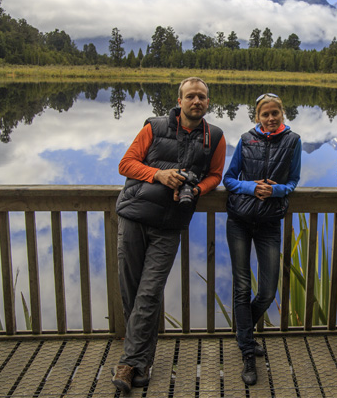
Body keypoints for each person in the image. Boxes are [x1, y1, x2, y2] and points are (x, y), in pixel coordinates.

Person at [110, 77, 227, 395]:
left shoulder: (214, 136)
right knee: (131, 292)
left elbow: (216, 174)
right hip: (133, 217)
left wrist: (198, 188)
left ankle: (129, 363)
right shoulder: (154, 126)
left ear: (207, 102)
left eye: (202, 97)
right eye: (191, 96)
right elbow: (126, 164)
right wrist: (158, 174)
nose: (196, 102)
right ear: (179, 100)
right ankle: (141, 361)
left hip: (170, 224)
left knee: (148, 294)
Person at [221, 93, 302, 386]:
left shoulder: (293, 142)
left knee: (267, 290)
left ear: (283, 114)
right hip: (240, 220)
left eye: (275, 114)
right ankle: (247, 351)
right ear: (257, 117)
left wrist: (277, 190)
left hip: (269, 222)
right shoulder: (245, 139)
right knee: (242, 286)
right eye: (264, 114)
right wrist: (250, 186)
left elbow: (293, 181)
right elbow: (228, 180)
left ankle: (243, 332)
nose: (270, 119)